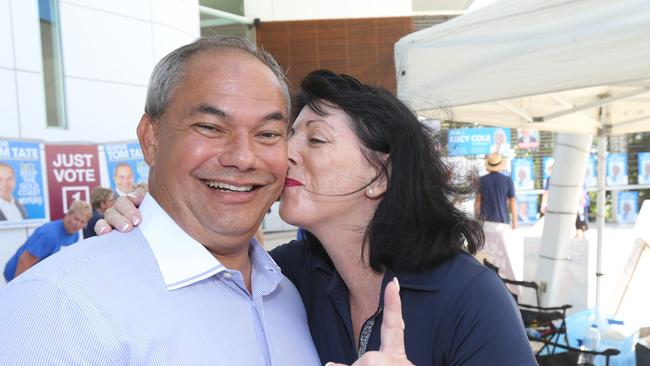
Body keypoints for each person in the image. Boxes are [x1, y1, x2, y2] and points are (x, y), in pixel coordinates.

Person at [100, 70, 536, 365]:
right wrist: (152, 213)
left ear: (380, 176)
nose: (285, 153)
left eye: (317, 139)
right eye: (288, 134)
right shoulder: (284, 277)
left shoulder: (468, 297)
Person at [0, 37, 321, 365]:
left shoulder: (289, 295)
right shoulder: (59, 306)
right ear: (150, 139)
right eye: (210, 127)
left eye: (267, 134)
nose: (242, 157)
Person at [3, 200, 91, 282]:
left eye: (82, 222)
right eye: (76, 219)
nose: (77, 224)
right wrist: (18, 289)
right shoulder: (49, 233)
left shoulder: (75, 234)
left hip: (38, 277)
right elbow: (24, 262)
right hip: (17, 275)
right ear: (68, 214)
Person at [475, 153, 518, 229]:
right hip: (502, 221)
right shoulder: (507, 180)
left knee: (487, 241)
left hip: (485, 222)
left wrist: (477, 219)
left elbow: (478, 202)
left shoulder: (481, 181)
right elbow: (513, 202)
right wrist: (515, 221)